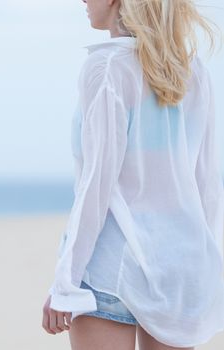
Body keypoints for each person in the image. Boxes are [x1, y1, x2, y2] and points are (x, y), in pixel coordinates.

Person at [42, 0, 224, 349]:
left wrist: (65, 282)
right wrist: (205, 267)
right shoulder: (193, 70)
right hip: (178, 272)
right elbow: (206, 183)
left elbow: (97, 183)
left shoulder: (108, 66)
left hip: (112, 271)